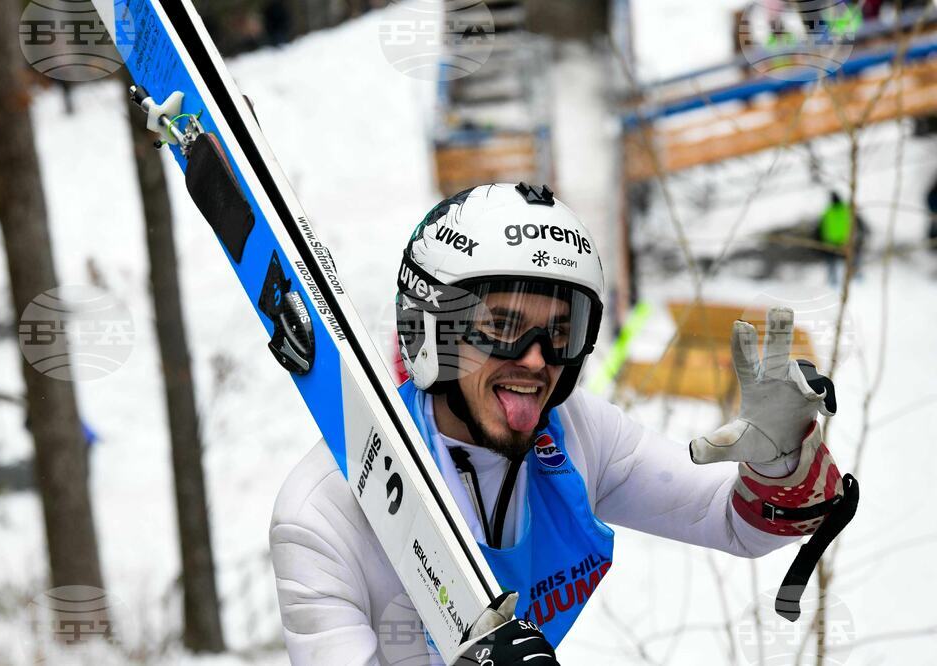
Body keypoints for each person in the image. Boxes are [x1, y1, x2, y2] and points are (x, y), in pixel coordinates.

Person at [271, 184, 850, 665]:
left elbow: (731, 522)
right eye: (502, 326)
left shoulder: (576, 434)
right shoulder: (323, 516)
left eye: (560, 332)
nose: (535, 359)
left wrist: (781, 466)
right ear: (433, 330)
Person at [818, 191, 867, 286]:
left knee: (847, 261)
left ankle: (855, 279)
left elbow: (821, 228)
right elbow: (821, 228)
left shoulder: (834, 211)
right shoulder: (840, 210)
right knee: (840, 262)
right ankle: (835, 282)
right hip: (837, 242)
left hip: (841, 242)